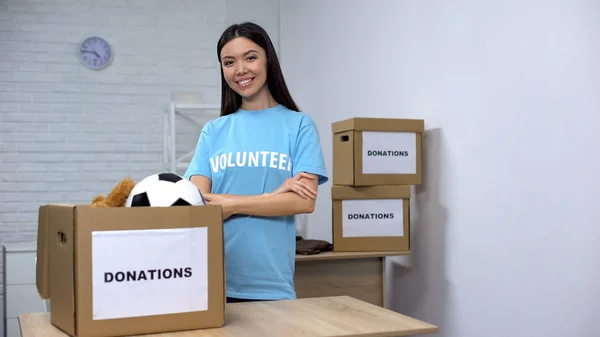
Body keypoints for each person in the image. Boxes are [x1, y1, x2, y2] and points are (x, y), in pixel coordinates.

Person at [183, 22, 328, 303]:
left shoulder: (299, 126)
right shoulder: (214, 131)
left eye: (250, 57)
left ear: (268, 59)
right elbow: (197, 203)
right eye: (229, 62)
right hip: (210, 281)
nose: (240, 70)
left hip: (271, 284)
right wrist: (272, 196)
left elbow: (302, 202)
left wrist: (233, 205)